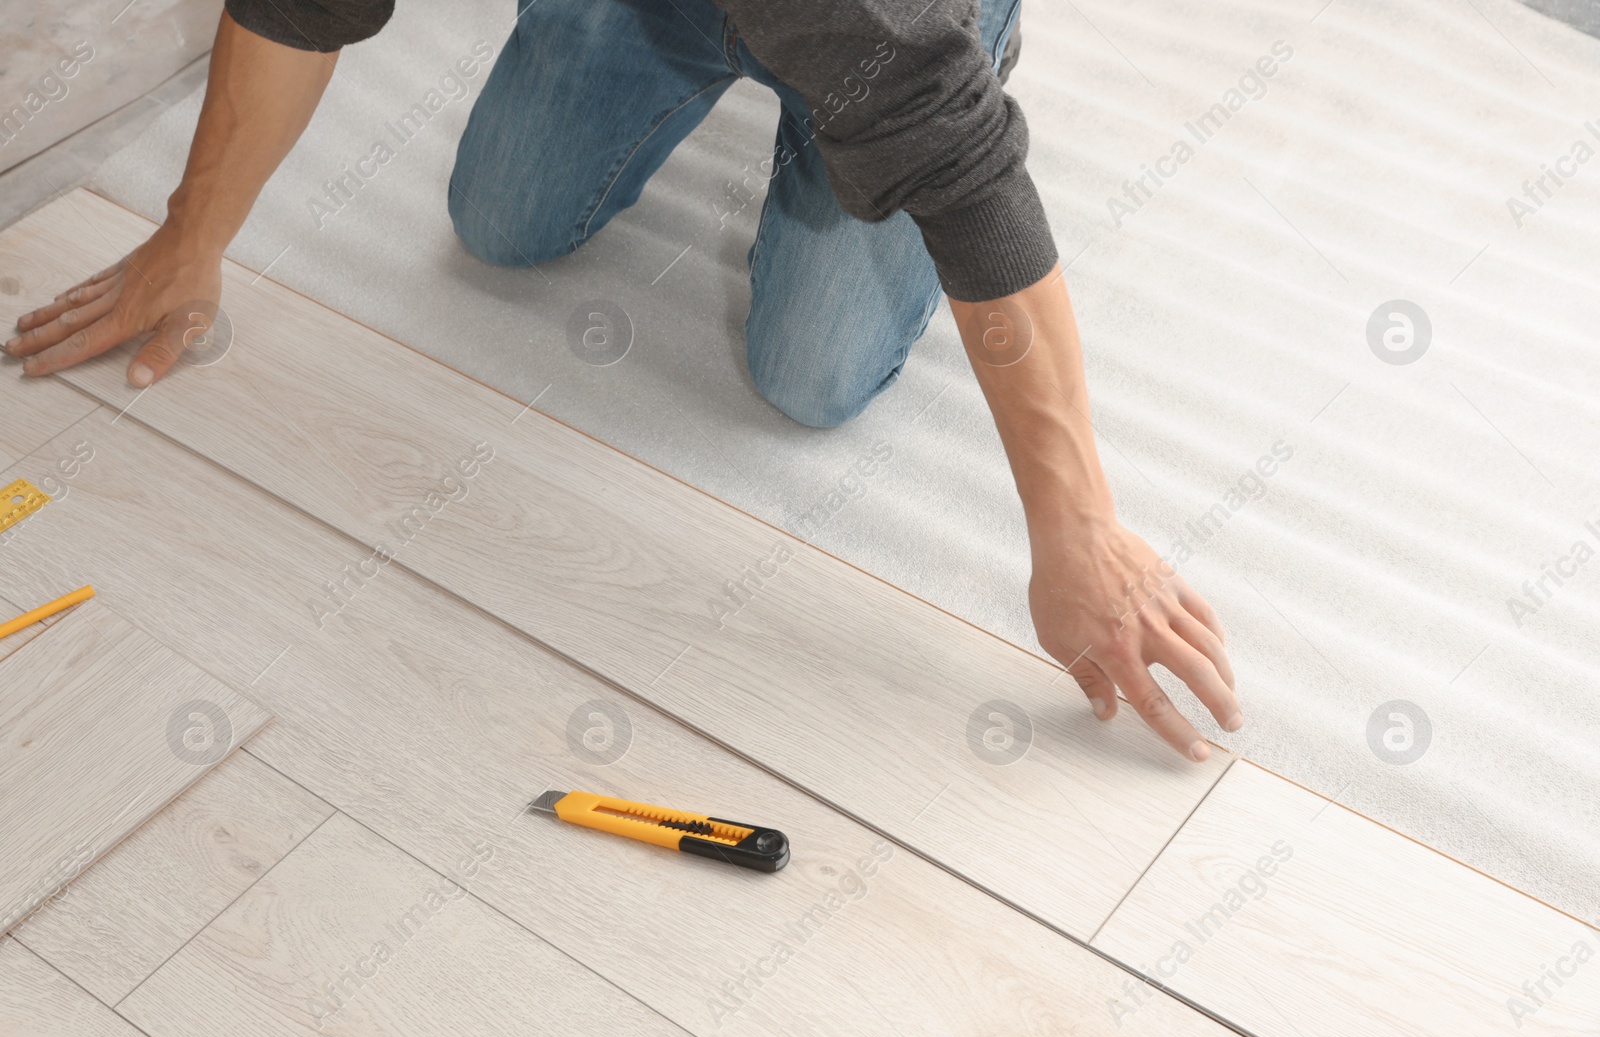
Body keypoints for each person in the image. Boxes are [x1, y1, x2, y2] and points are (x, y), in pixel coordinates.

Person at [4, 0, 1241, 760]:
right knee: (501, 219)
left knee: (807, 374)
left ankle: (964, 32)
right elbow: (300, 0)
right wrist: (191, 236)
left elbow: (966, 184)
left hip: (881, 30)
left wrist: (1076, 528)